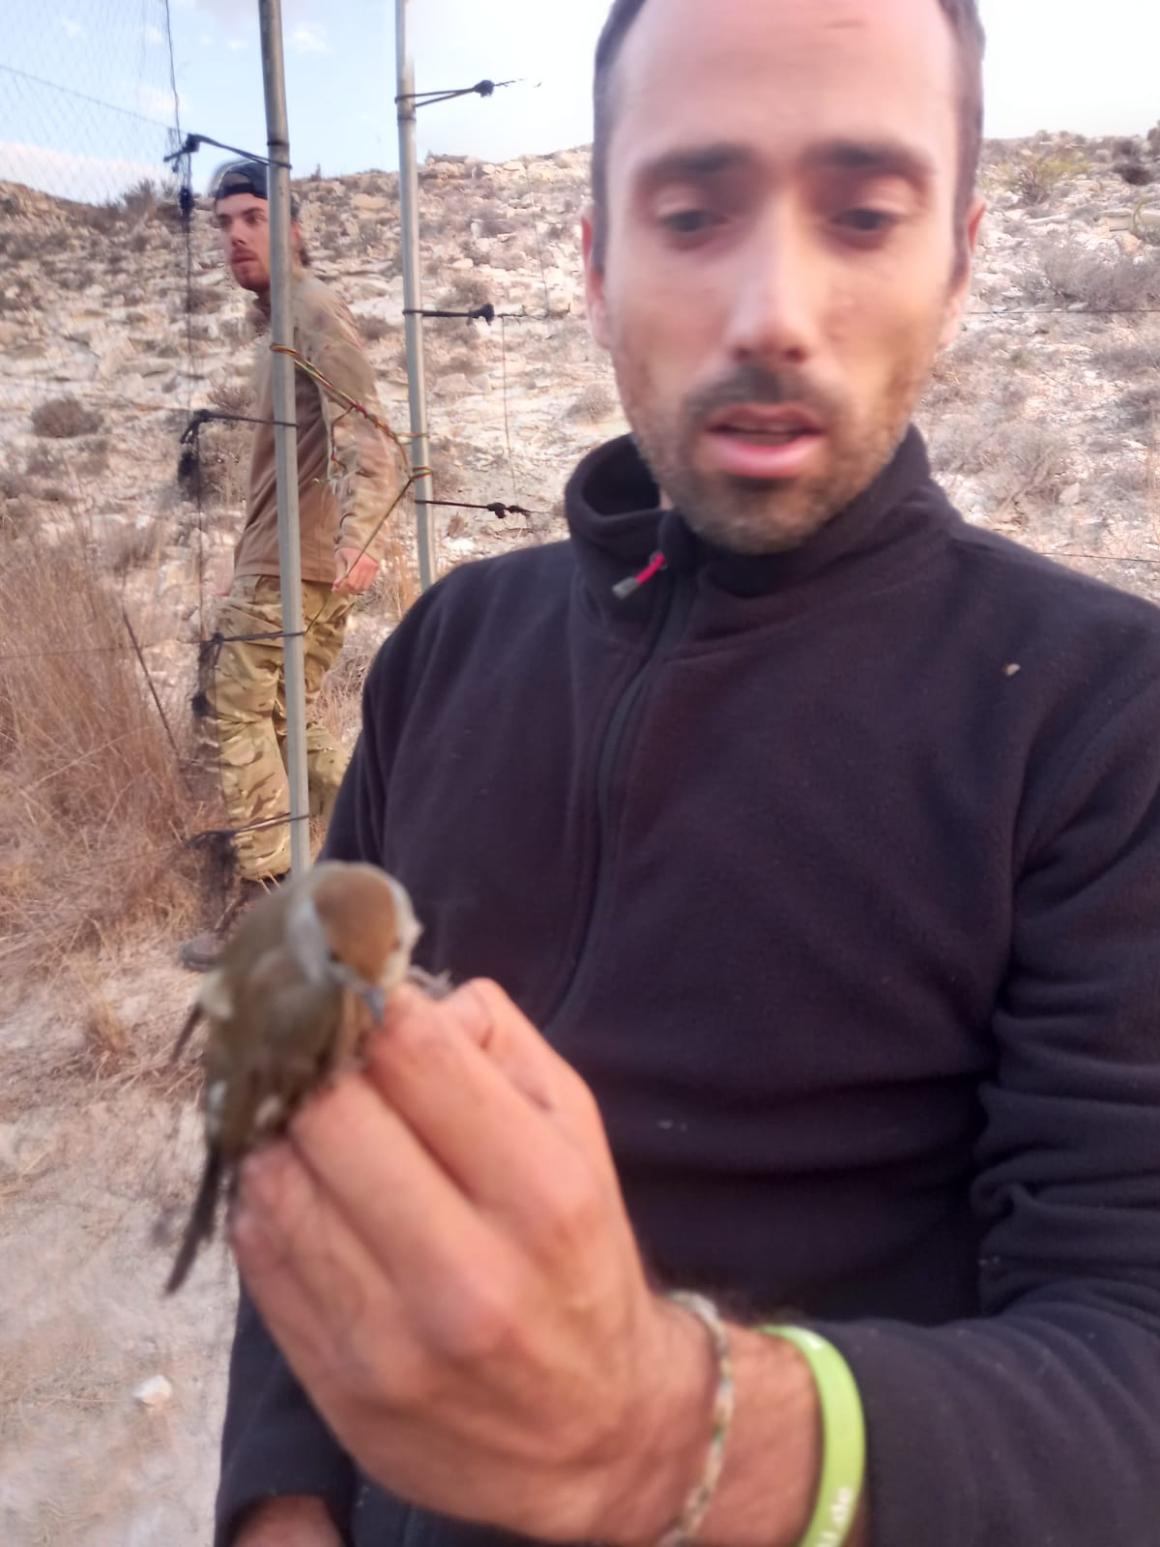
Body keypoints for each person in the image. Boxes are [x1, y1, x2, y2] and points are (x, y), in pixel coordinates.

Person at [213, 1, 1160, 1544]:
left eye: (865, 213)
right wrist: (280, 1498)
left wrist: (659, 1432)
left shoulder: (1106, 721)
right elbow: (307, 1116)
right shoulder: (447, 650)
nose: (773, 309)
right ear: (595, 263)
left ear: (961, 258)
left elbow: (1131, 1370)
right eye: (693, 214)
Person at [181, 159, 405, 973]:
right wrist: (241, 561)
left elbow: (365, 429)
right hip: (275, 561)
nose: (236, 237)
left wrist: (363, 536)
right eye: (224, 224)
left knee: (236, 713)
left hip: (298, 564)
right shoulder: (280, 320)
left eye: (253, 218)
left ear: (293, 230)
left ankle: (271, 903)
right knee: (287, 719)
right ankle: (378, 861)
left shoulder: (310, 310)